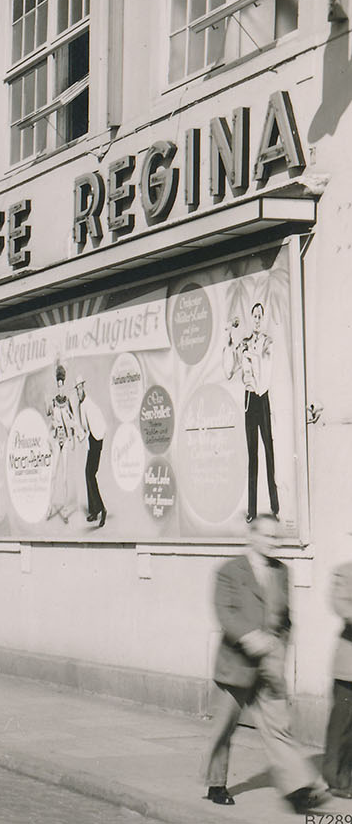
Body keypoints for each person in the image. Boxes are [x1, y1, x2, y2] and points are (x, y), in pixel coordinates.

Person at [202, 515, 324, 813]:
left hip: (269, 666)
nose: (273, 542)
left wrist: (280, 647)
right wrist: (248, 637)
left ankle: (297, 790)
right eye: (267, 537)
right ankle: (216, 784)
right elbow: (225, 612)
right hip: (236, 663)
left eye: (276, 537)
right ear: (252, 537)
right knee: (224, 728)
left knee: (279, 729)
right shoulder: (229, 571)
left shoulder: (282, 571)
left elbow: (286, 618)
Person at [225, 302, 279, 521]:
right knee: (252, 455)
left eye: (260, 316)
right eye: (254, 316)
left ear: (263, 318)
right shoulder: (244, 343)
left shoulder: (268, 342)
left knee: (269, 451)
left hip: (262, 398)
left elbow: (265, 375)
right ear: (250, 318)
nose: (257, 320)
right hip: (249, 400)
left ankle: (275, 506)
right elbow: (229, 370)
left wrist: (252, 358)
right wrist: (229, 338)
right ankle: (252, 511)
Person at [326, 557, 352, 799]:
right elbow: (342, 607)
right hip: (349, 666)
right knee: (343, 725)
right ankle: (338, 781)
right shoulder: (344, 572)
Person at [46, 364, 80, 523]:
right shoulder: (53, 402)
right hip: (55, 439)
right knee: (53, 474)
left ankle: (65, 510)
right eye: (58, 386)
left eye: (62, 386)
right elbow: (50, 419)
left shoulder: (67, 402)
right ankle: (49, 506)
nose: (60, 389)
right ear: (56, 386)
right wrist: (49, 436)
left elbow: (73, 422)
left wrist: (72, 437)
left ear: (64, 386)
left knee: (65, 476)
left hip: (65, 440)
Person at [75, 379, 108, 528]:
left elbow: (94, 426)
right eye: (76, 390)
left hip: (96, 441)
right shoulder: (83, 405)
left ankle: (101, 509)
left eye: (79, 389)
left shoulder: (89, 405)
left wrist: (94, 438)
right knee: (88, 473)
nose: (78, 392)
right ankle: (94, 511)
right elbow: (83, 428)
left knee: (90, 474)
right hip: (92, 440)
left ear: (83, 388)